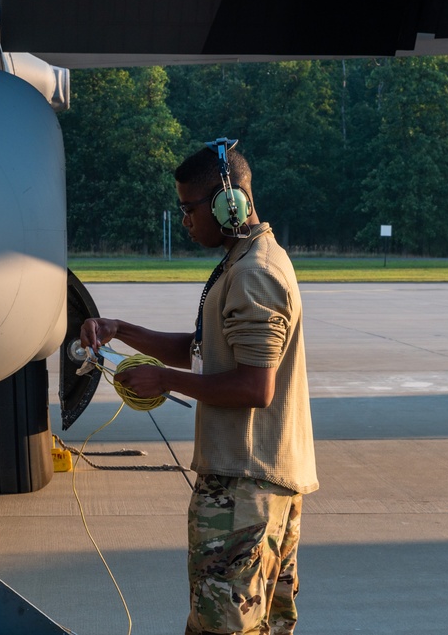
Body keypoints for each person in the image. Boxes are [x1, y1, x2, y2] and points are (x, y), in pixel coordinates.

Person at [79, 140, 319, 635]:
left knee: (221, 628)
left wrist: (162, 380)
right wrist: (120, 328)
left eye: (189, 208)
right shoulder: (246, 263)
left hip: (244, 490)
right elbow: (200, 348)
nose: (185, 220)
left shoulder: (255, 275)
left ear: (227, 204)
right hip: (252, 483)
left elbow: (257, 387)